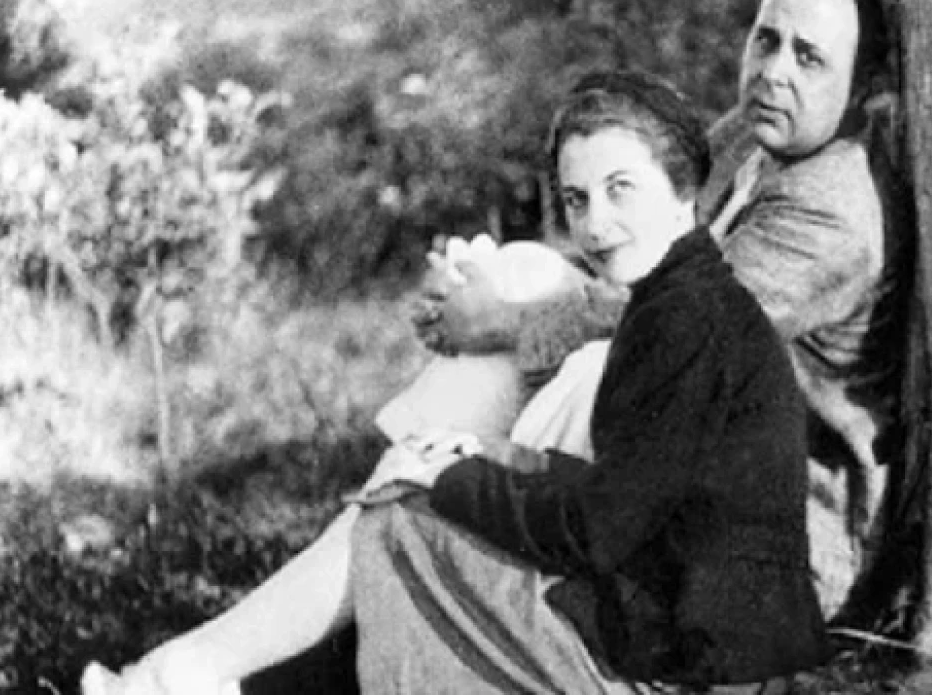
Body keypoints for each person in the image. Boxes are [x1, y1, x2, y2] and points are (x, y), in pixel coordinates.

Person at [85, 70, 828, 694]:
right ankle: (222, 676)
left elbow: (598, 530)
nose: (597, 224)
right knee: (438, 479)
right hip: (686, 621)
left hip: (691, 666)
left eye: (620, 189)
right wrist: (476, 463)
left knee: (405, 523)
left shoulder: (686, 320)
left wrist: (454, 483)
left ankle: (205, 677)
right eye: (577, 199)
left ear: (683, 189)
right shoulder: (682, 297)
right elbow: (630, 495)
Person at [418, 0, 911, 618]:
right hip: (676, 446)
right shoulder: (755, 133)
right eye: (766, 40)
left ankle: (436, 502)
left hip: (777, 536)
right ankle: (417, 489)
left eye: (809, 57)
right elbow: (643, 252)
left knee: (590, 361)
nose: (773, 72)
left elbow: (673, 321)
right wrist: (474, 291)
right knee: (523, 267)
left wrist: (498, 322)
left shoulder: (837, 216)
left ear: (864, 86)